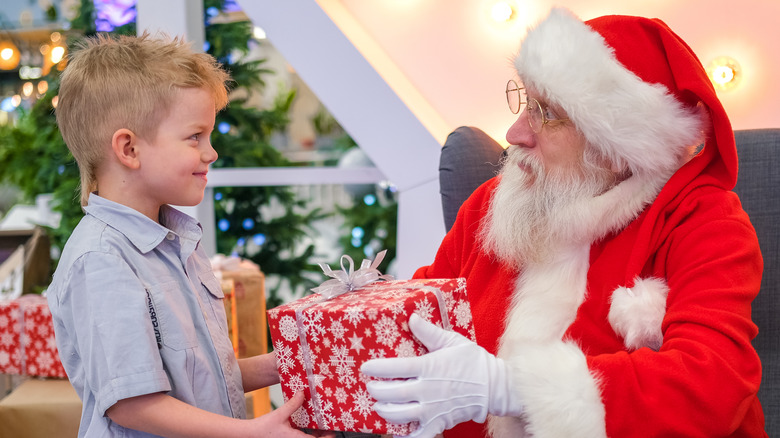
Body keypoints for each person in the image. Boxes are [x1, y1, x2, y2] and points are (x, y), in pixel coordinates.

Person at [361, 7, 765, 438]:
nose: (515, 133)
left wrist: (510, 388)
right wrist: (297, 362)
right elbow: (413, 323)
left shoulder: (704, 221)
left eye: (548, 113)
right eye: (525, 101)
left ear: (615, 148)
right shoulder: (492, 204)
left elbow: (710, 384)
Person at [47, 33, 329, 438]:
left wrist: (278, 365)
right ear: (128, 149)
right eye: (195, 136)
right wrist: (253, 432)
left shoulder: (178, 243)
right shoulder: (101, 261)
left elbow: (206, 380)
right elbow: (133, 405)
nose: (210, 152)